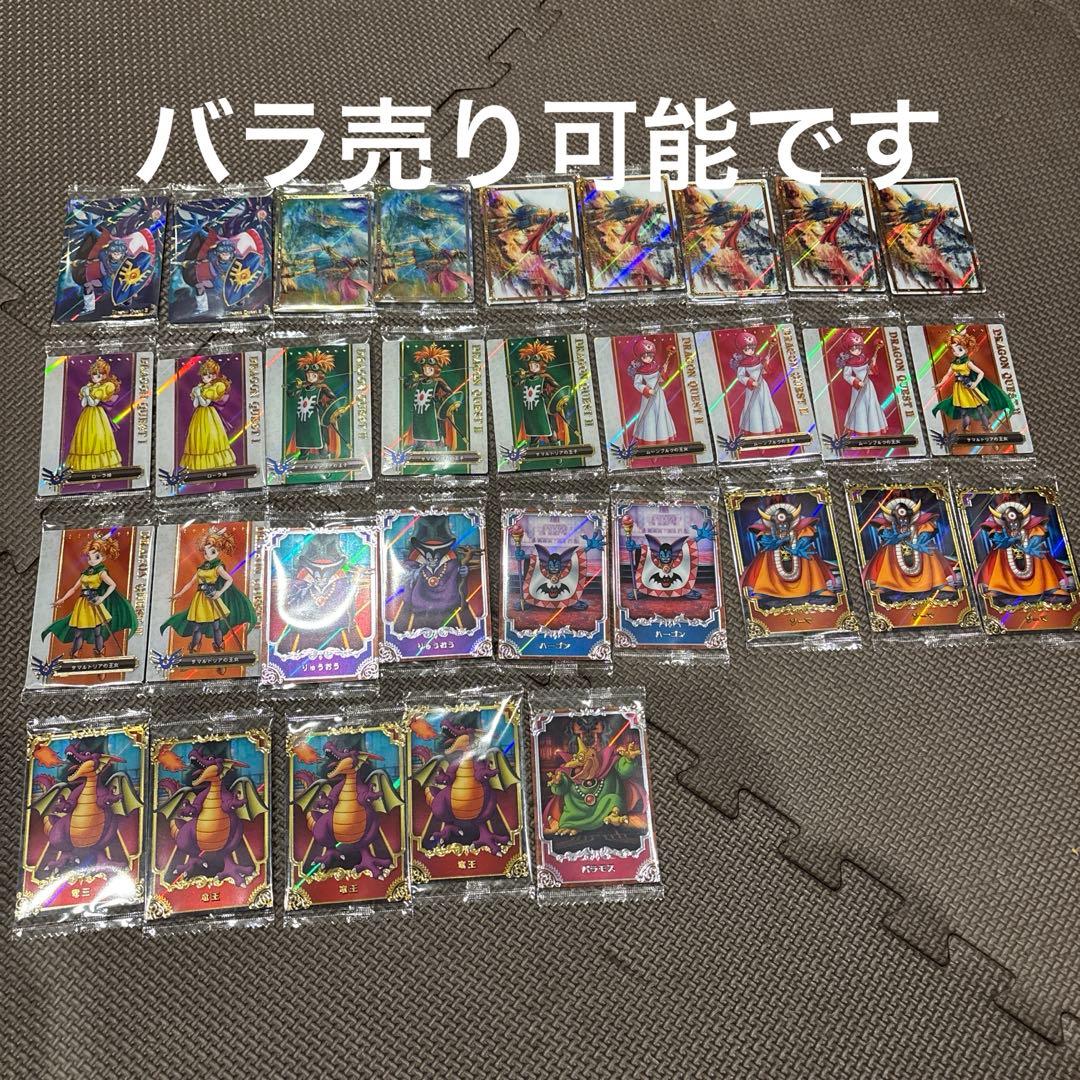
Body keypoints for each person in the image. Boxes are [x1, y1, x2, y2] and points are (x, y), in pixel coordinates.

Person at [41, 533, 137, 657]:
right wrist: (63, 599)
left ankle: (99, 651)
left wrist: (102, 598)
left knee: (97, 631)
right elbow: (74, 588)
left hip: (94, 603)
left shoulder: (101, 572)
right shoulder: (85, 573)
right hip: (82, 604)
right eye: (89, 557)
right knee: (78, 632)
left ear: (103, 557)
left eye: (96, 557)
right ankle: (74, 653)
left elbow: (113, 585)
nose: (91, 560)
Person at [179, 357, 237, 473]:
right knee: (198, 439)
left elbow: (205, 403)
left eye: (209, 375)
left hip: (210, 416)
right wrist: (196, 394)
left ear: (214, 376)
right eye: (204, 375)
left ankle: (215, 467)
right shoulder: (200, 387)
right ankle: (198, 468)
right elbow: (196, 405)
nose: (205, 378)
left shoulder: (214, 387)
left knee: (211, 438)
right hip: (198, 416)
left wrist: (199, 394)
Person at [65, 358, 122, 471]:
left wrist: (87, 394)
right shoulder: (89, 387)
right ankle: (82, 468)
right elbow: (84, 404)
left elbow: (93, 403)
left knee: (98, 438)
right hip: (86, 415)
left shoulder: (105, 387)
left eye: (99, 375)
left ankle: (101, 467)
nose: (95, 377)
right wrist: (85, 394)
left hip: (97, 416)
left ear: (104, 375)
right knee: (84, 438)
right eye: (94, 374)